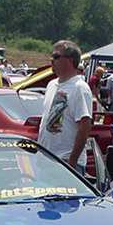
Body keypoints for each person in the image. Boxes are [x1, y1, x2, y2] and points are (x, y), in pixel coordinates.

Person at [38, 40, 93, 174]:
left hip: (66, 162)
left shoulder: (79, 88)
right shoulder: (51, 85)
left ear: (70, 60)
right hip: (46, 160)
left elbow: (84, 126)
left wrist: (72, 161)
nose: (52, 60)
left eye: (56, 56)